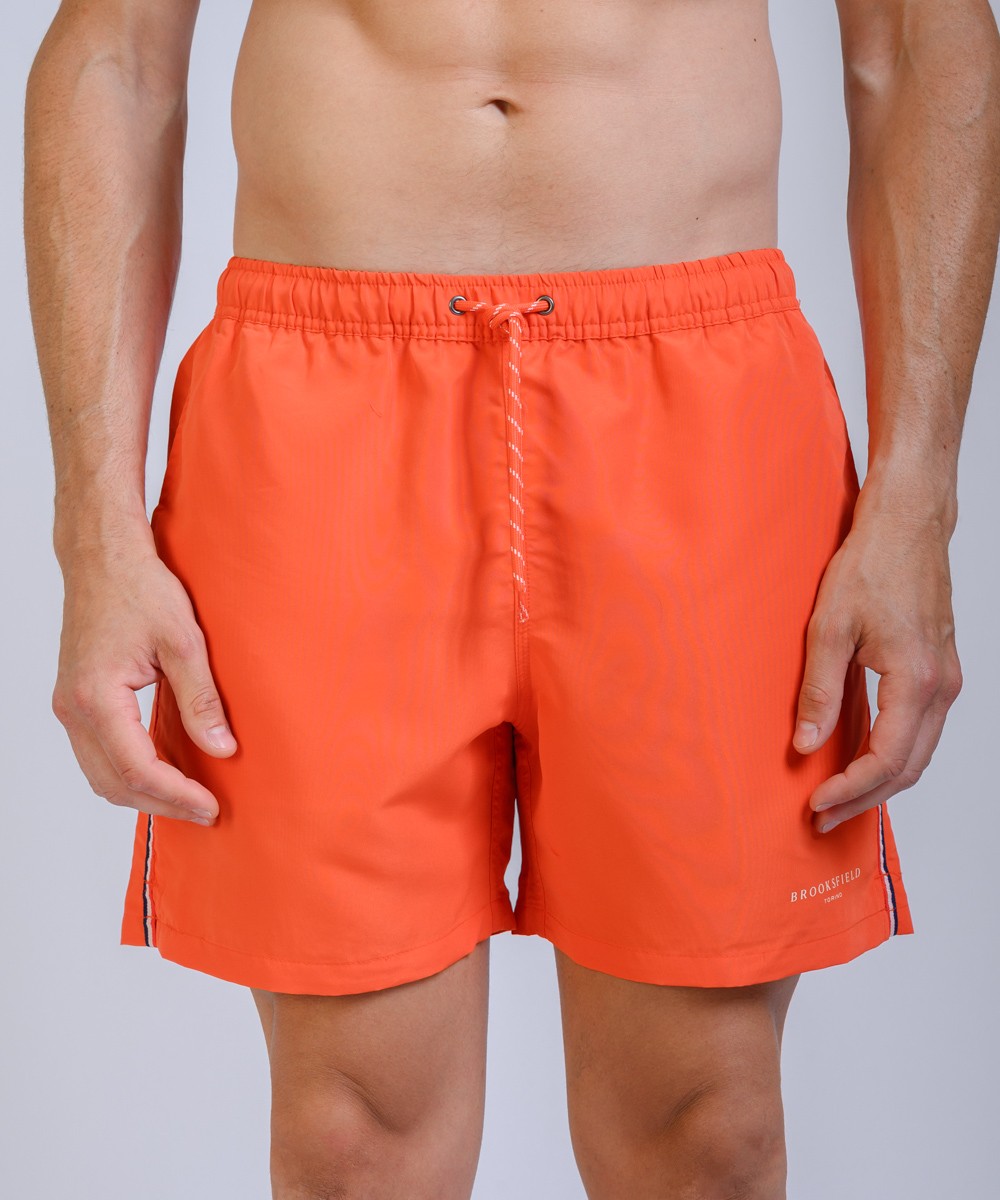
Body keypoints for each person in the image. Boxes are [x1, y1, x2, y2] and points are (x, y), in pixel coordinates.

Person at [24, 1, 999, 1196]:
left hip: (696, 408)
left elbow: (916, 41)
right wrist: (93, 529)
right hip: (320, 409)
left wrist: (915, 500)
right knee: (350, 1142)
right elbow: (116, 53)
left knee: (707, 1130)